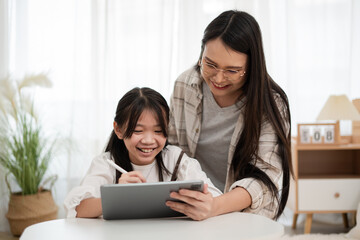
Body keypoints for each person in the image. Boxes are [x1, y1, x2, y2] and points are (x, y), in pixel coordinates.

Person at [166, 10, 292, 220]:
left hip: (245, 214)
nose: (218, 78)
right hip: (192, 210)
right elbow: (173, 151)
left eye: (232, 70)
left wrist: (213, 207)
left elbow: (265, 179)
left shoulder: (272, 104)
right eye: (210, 64)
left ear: (251, 67)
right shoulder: (185, 85)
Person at [63, 87, 222, 218]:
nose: (148, 140)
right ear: (118, 130)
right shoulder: (106, 163)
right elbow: (78, 209)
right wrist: (117, 195)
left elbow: (214, 198)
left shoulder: (176, 159)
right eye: (138, 131)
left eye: (158, 131)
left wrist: (202, 203)